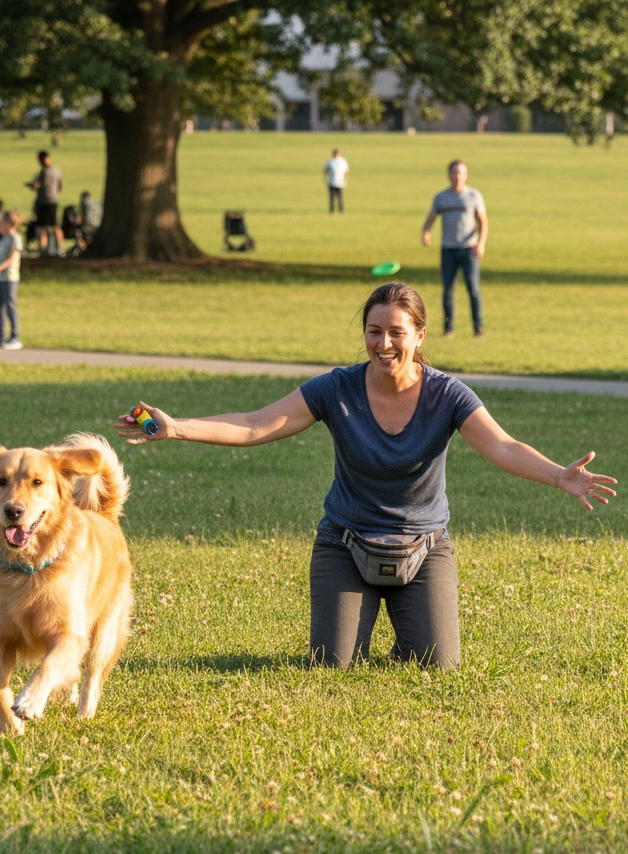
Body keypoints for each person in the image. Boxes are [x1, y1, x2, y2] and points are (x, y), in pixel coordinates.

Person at [115, 282, 616, 670]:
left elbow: (501, 445)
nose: (384, 343)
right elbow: (253, 425)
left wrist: (558, 476)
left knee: (438, 665)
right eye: (374, 331)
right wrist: (177, 428)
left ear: (419, 335)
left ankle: (411, 623)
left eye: (397, 331)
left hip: (424, 547)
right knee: (331, 665)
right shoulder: (336, 389)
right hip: (347, 543)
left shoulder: (448, 394)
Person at [421, 159, 488, 338]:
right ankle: (448, 329)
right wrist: (426, 232)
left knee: (473, 289)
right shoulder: (441, 197)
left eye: (461, 172)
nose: (457, 176)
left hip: (469, 250)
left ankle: (478, 328)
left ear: (466, 175)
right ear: (449, 175)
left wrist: (480, 243)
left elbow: (483, 222)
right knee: (448, 290)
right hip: (448, 250)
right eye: (454, 172)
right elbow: (431, 217)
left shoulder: (474, 196)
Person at [0, 210, 24, 351]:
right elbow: (0, 258)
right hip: (0, 278)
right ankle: (0, 337)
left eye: (1, 223)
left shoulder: (15, 239)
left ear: (9, 224)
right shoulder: (3, 239)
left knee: (10, 306)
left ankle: (15, 337)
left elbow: (11, 258)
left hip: (10, 278)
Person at [26, 150, 64, 254]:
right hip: (54, 201)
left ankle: (42, 248)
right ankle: (60, 248)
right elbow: (60, 187)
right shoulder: (57, 170)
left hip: (43, 202)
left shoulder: (43, 172)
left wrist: (30, 185)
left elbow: (37, 185)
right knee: (55, 225)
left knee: (41, 227)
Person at [324, 148, 349, 213]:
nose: (336, 154)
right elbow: (326, 170)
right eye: (335, 153)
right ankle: (331, 210)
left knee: (340, 198)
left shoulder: (343, 161)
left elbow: (346, 171)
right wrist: (326, 179)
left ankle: (341, 211)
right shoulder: (330, 161)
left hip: (340, 182)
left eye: (337, 153)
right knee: (331, 198)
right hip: (331, 182)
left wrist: (345, 180)